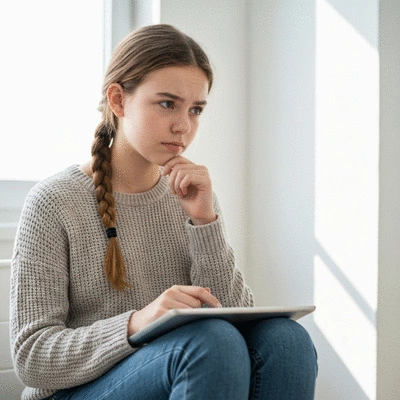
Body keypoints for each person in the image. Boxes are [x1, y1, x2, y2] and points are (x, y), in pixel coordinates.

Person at [10, 24, 317, 400]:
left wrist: (205, 223)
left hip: (183, 366)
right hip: (75, 392)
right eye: (167, 103)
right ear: (119, 101)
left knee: (287, 340)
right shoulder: (54, 202)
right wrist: (138, 322)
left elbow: (237, 320)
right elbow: (31, 357)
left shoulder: (191, 196)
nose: (183, 126)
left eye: (196, 109)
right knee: (210, 343)